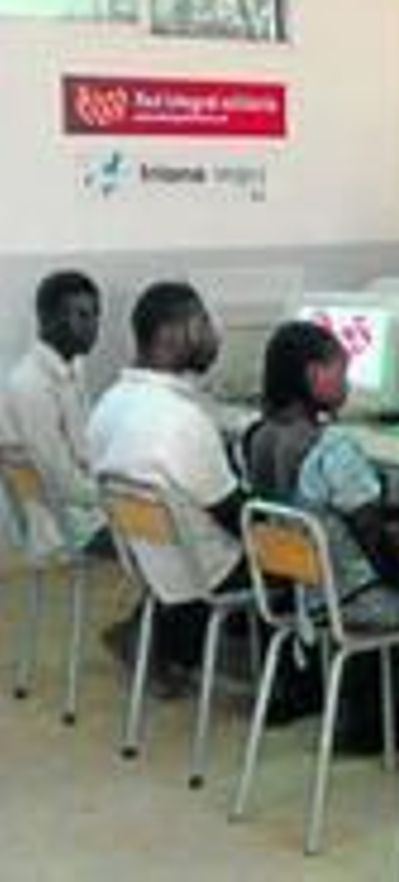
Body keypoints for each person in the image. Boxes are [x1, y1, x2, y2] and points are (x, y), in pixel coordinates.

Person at [88, 281, 248, 688]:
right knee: (316, 554)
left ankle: (161, 640)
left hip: (153, 560)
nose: (214, 335)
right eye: (204, 323)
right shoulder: (182, 420)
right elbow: (236, 515)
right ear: (170, 335)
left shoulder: (110, 402)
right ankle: (300, 687)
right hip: (206, 569)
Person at [242, 321, 399, 627]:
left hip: (302, 592)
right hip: (352, 601)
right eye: (342, 371)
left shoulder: (258, 436)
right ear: (314, 375)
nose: (347, 383)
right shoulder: (333, 448)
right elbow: (372, 536)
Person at [2, 270, 109, 555]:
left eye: (96, 314)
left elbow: (84, 450)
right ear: (48, 319)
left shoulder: (72, 367)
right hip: (70, 526)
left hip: (86, 509)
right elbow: (60, 479)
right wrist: (115, 499)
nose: (93, 325)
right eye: (82, 316)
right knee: (174, 540)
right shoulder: (30, 385)